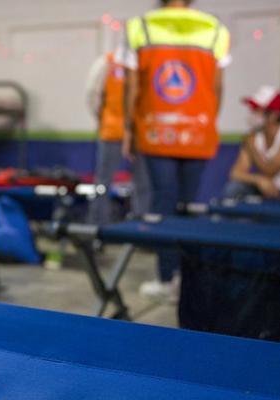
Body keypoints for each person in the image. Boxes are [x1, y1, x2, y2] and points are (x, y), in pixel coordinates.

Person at [121, 0, 231, 300]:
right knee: (188, 205)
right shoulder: (214, 28)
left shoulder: (140, 26)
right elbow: (218, 86)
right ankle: (187, 280)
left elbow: (132, 87)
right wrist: (205, 121)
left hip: (157, 129)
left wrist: (128, 129)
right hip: (198, 129)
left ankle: (167, 277)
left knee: (163, 203)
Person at [85, 51, 151, 223]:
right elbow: (93, 95)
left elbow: (92, 95)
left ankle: (138, 227)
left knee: (140, 183)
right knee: (106, 183)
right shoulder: (108, 62)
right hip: (120, 132)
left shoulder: (141, 62)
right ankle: (100, 225)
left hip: (134, 133)